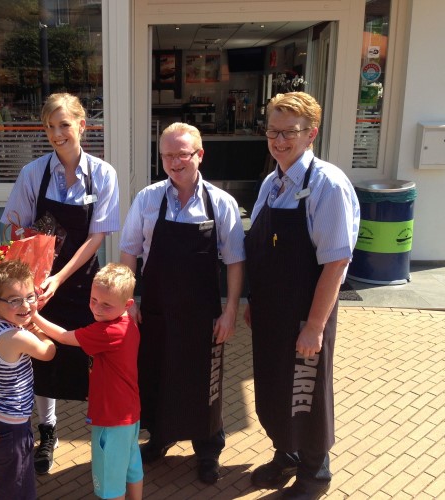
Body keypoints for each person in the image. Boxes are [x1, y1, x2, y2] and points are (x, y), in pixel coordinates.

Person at [244, 92, 360, 500]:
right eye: (272, 131)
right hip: (272, 313)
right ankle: (286, 454)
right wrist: (254, 302)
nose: (278, 140)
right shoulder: (272, 183)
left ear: (311, 133)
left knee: (306, 394)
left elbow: (335, 262)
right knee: (276, 387)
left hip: (304, 315)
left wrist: (314, 326)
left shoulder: (326, 183)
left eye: (288, 133)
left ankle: (314, 476)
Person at [119, 122, 245, 485]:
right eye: (168, 155)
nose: (175, 162)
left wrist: (230, 310)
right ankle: (159, 439)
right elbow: (128, 252)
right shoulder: (147, 199)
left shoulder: (220, 203)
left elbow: (235, 261)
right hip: (156, 312)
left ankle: (207, 450)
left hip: (202, 316)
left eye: (182, 154)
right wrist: (129, 300)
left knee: (205, 384)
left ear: (199, 155)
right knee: (157, 376)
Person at [2, 92, 120, 474]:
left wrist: (59, 276)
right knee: (42, 357)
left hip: (85, 283)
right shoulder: (33, 173)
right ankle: (47, 431)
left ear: (82, 125)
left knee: (92, 359)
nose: (57, 134)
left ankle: (103, 432)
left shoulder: (103, 174)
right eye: (50, 126)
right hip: (39, 285)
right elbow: (14, 224)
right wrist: (33, 270)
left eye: (64, 125)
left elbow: (97, 236)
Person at [32, 263, 143, 500]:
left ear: (127, 305)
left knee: (109, 481)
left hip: (110, 417)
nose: (97, 309)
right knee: (132, 466)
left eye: (106, 304)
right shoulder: (127, 322)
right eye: (93, 300)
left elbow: (63, 337)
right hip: (129, 413)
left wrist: (33, 317)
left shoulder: (106, 331)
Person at [0, 260, 57, 500]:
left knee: (3, 480)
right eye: (14, 300)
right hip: (12, 428)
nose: (25, 305)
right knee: (18, 488)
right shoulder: (16, 336)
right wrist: (37, 328)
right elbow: (48, 352)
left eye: (30, 297)